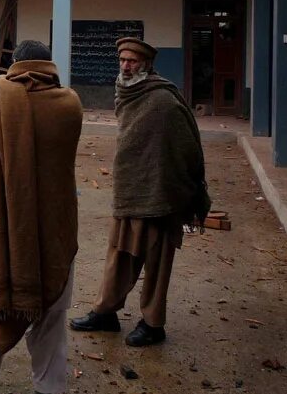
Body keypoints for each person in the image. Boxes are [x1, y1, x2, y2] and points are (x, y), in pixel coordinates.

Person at [0, 40, 83, 394]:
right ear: (48, 65)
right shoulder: (70, 105)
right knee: (52, 315)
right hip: (53, 232)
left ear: (16, 65)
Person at [70, 37, 207, 347]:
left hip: (159, 196)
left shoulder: (162, 100)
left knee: (157, 263)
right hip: (129, 192)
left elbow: (185, 147)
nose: (126, 66)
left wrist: (177, 188)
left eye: (132, 61)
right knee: (119, 255)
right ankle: (106, 313)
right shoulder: (128, 94)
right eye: (122, 61)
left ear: (146, 65)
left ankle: (153, 324)